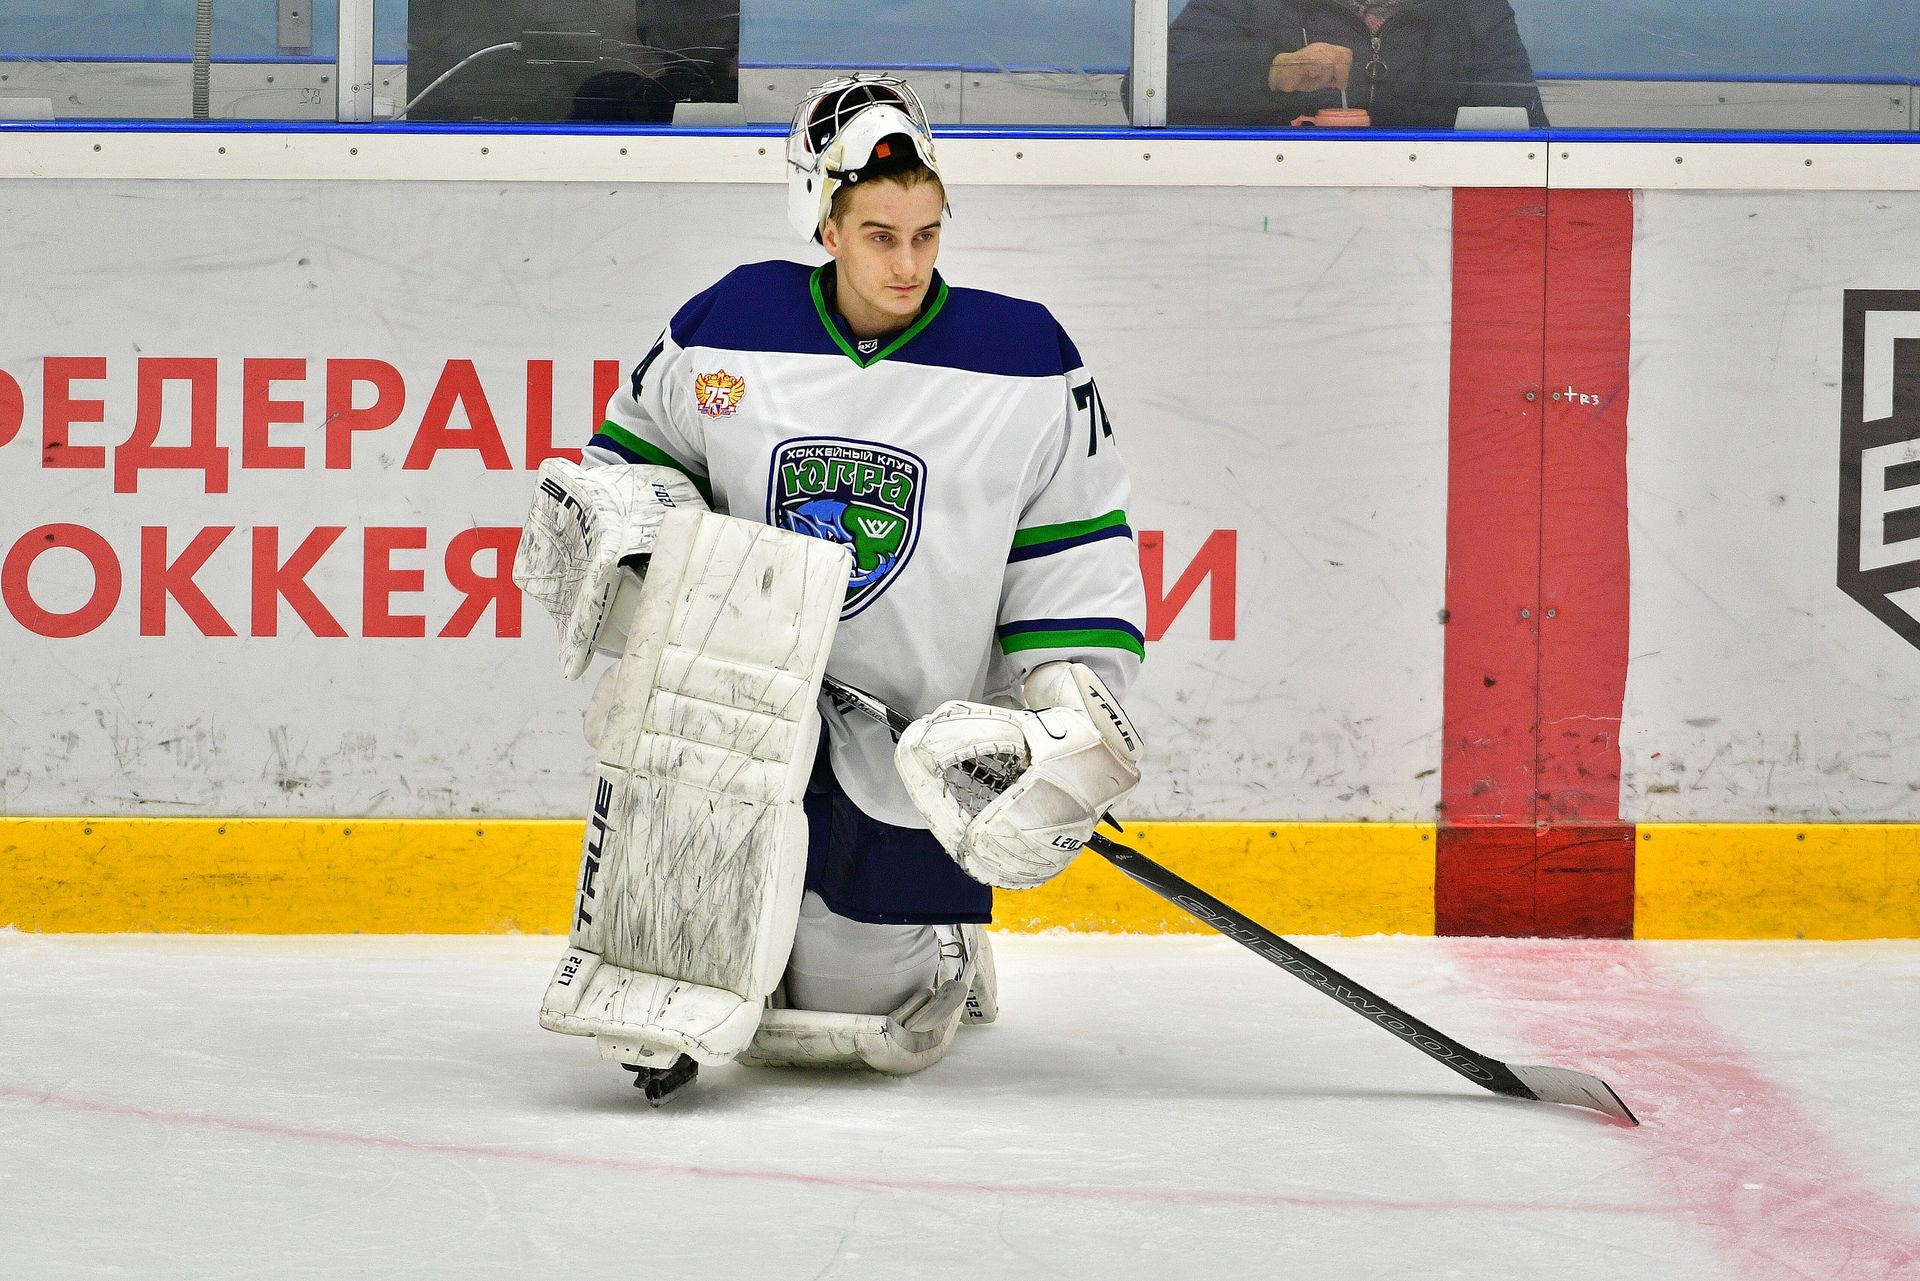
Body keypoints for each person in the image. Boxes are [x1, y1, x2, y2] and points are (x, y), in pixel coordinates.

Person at [512, 74, 1148, 1100]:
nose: (907, 263)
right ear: (825, 223)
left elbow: (1071, 552)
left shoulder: (1026, 359)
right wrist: (635, 538)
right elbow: (635, 460)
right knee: (691, 961)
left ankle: (938, 940)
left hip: (905, 735)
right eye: (880, 236)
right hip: (731, 717)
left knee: (842, 1018)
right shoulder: (729, 323)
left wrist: (1059, 718)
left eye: (927, 235)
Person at [1168, 0, 1547, 128]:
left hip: (1430, 221)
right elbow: (1151, 90)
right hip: (1267, 214)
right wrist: (1269, 72)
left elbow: (1524, 133)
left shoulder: (1475, 11)